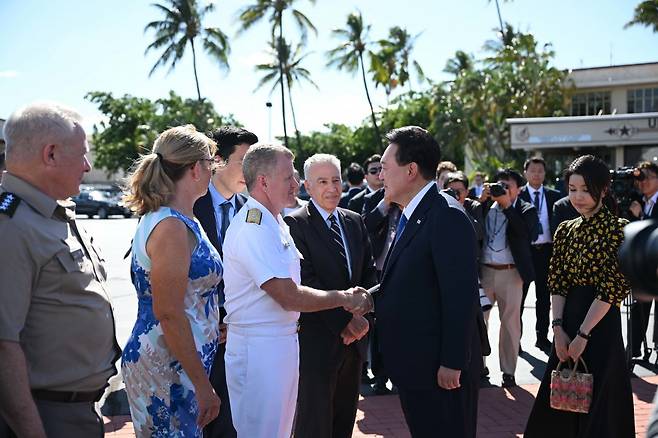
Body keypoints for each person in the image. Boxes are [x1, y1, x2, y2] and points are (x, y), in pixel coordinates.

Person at [221, 143, 372, 438]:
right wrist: (343, 299)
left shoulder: (273, 222)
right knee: (262, 432)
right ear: (263, 181)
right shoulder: (254, 226)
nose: (295, 183)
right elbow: (288, 295)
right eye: (288, 176)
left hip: (281, 343)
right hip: (261, 347)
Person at [0, 102, 121, 437]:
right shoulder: (10, 226)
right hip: (44, 416)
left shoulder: (52, 214)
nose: (87, 166)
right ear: (50, 154)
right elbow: (2, 344)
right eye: (82, 154)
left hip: (78, 410)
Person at [377, 126, 481, 437]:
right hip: (418, 365)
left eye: (384, 167)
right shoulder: (414, 213)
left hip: (439, 369)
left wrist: (452, 361)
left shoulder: (446, 215)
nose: (380, 175)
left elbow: (460, 296)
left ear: (410, 170)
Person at [121, 125, 223, 437]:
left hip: (178, 361)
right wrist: (205, 387)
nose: (214, 170)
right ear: (195, 169)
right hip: (167, 368)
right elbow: (168, 311)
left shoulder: (181, 219)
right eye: (211, 162)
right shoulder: (170, 227)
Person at [524, 155, 635, 438]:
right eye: (572, 189)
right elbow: (557, 283)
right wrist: (558, 329)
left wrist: (583, 335)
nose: (578, 197)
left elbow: (612, 287)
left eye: (585, 189)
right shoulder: (564, 230)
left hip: (600, 324)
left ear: (603, 190)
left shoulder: (619, 229)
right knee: (558, 403)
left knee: (601, 405)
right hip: (568, 322)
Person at [285, 154, 378, 438]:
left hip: (355, 343)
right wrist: (344, 323)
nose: (332, 188)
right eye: (322, 181)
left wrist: (363, 318)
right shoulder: (295, 224)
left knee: (343, 421)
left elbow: (368, 275)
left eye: (336, 180)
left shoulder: (354, 220)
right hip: (317, 343)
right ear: (307, 187)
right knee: (313, 424)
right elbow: (305, 280)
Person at [192, 126, 258, 438]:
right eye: (244, 161)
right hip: (198, 338)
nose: (251, 171)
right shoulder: (188, 205)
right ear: (217, 160)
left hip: (241, 334)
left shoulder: (251, 210)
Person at [480, 168, 538, 387]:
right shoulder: (484, 207)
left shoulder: (526, 209)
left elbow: (526, 234)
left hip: (511, 272)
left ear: (518, 189)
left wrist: (508, 206)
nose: (502, 189)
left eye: (508, 186)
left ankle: (508, 372)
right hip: (484, 271)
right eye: (499, 184)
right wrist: (482, 201)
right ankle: (480, 367)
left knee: (510, 325)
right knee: (479, 322)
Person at [519, 157, 562, 352]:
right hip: (526, 253)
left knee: (544, 298)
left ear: (545, 174)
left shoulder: (555, 196)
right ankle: (515, 339)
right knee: (519, 298)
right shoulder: (517, 195)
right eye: (533, 170)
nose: (537, 174)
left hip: (547, 252)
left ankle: (542, 337)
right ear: (525, 173)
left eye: (540, 171)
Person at [361, 186, 400, 394]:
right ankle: (380, 376)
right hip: (379, 271)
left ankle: (400, 376)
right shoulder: (373, 199)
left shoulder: (412, 197)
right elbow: (366, 225)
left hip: (403, 271)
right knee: (379, 327)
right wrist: (385, 204)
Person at [628, 161, 658, 358]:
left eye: (648, 177)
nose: (643, 182)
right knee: (638, 307)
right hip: (643, 265)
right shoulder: (636, 201)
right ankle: (633, 348)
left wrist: (641, 218)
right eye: (640, 177)